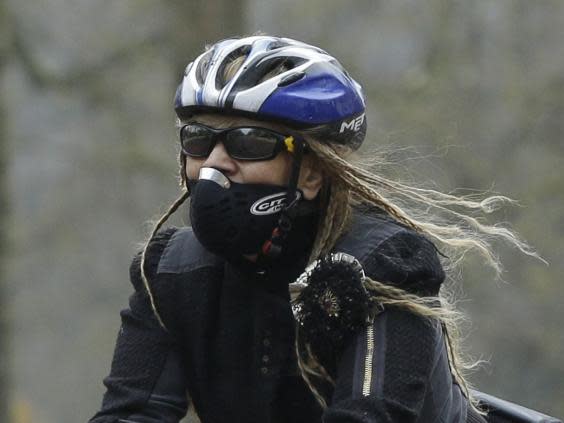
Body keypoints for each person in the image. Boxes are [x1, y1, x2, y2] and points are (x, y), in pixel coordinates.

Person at [89, 35, 541, 423]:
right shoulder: (169, 273)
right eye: (199, 139)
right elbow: (131, 412)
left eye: (249, 143)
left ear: (311, 172)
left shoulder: (384, 267)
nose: (215, 163)